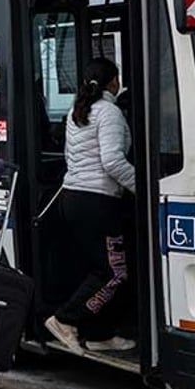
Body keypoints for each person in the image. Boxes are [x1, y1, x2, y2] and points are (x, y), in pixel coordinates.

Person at [44, 58, 136, 354]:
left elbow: (75, 158)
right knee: (115, 272)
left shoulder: (77, 111)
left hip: (73, 198)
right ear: (113, 82)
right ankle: (65, 319)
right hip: (98, 202)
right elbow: (112, 161)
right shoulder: (109, 112)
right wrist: (144, 186)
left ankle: (100, 333)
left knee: (99, 267)